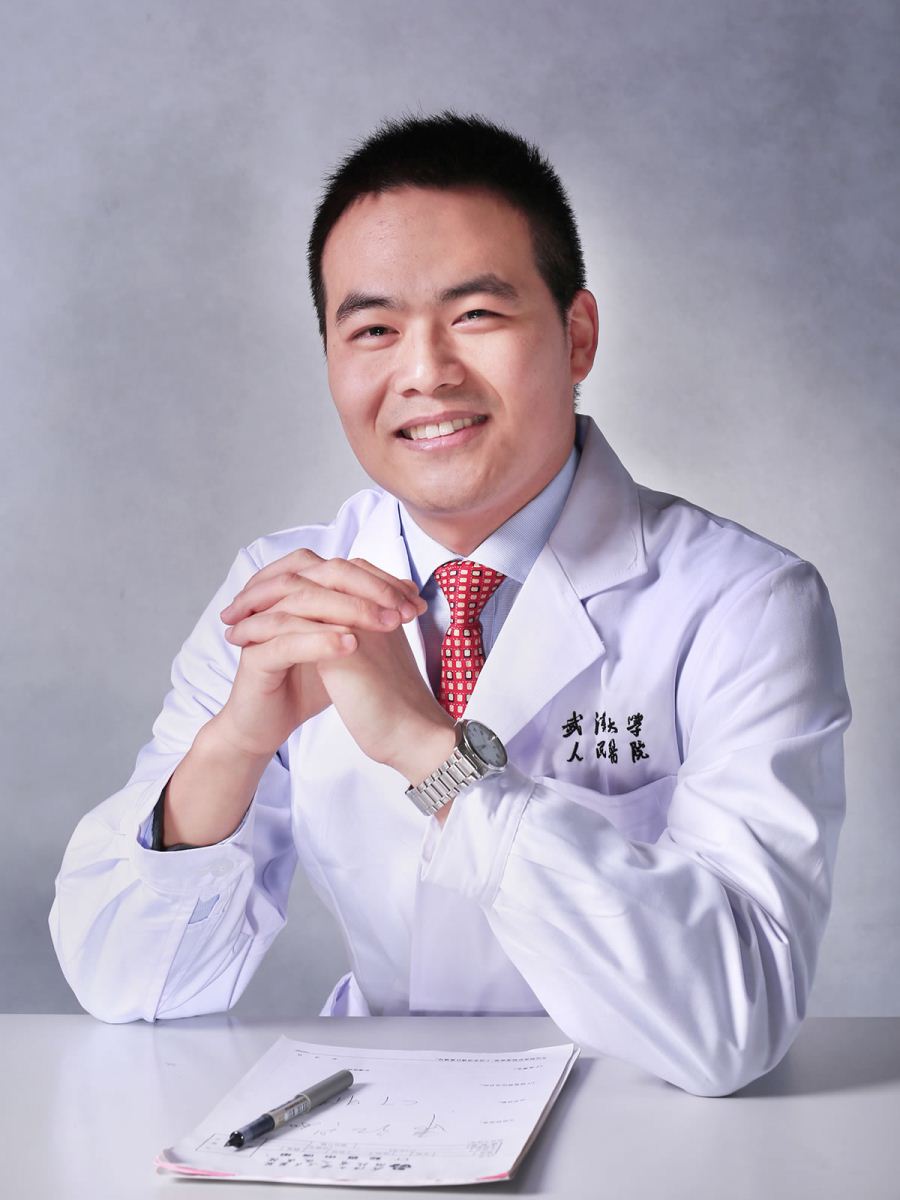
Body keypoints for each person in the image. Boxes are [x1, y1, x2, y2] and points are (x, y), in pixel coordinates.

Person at [49, 112, 851, 1098]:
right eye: (373, 330)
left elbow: (735, 1021)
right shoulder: (284, 591)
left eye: (475, 315)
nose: (425, 373)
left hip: (638, 1123)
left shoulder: (743, 603)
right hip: (369, 1112)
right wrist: (235, 745)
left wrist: (434, 756)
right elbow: (129, 984)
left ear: (578, 335)